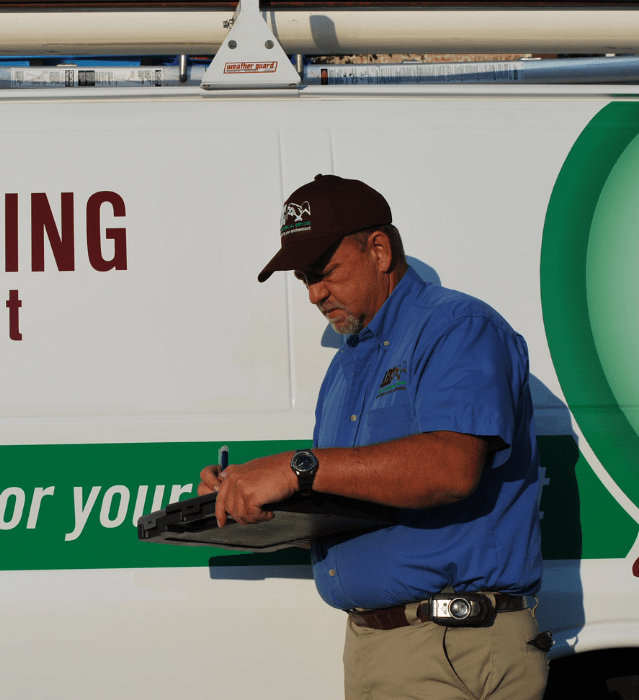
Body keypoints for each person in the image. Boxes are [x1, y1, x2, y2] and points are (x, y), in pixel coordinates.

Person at [198, 174, 548, 699]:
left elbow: (451, 469)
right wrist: (247, 493)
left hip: (453, 646)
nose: (314, 293)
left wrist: (298, 468)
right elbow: (352, 493)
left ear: (379, 250)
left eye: (324, 272)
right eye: (304, 280)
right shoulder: (347, 365)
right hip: (375, 646)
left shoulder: (458, 327)